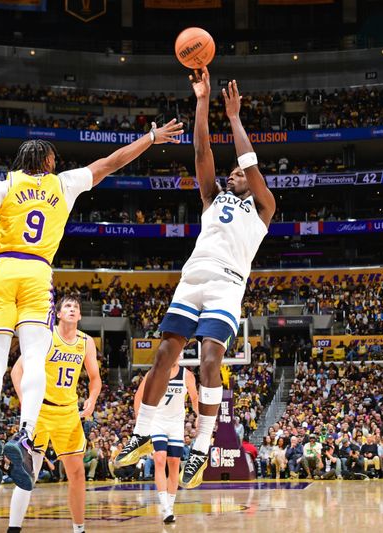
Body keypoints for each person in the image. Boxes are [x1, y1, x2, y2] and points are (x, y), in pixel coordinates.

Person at [0, 123, 182, 494]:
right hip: (37, 272)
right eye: (54, 158)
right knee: (36, 360)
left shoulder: (5, 185)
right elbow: (112, 162)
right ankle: (25, 435)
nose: (58, 162)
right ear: (46, 161)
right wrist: (151, 139)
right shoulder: (64, 183)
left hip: (2, 270)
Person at [115, 69, 275, 490]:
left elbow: (249, 164)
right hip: (192, 279)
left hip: (226, 284)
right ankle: (141, 433)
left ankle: (201, 447)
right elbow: (201, 148)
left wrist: (235, 119)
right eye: (233, 174)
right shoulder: (211, 197)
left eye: (240, 175)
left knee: (208, 360)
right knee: (166, 354)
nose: (234, 174)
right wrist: (202, 100)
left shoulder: (263, 207)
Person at [7, 295, 102, 533]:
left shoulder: (86, 342)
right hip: (41, 410)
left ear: (80, 316)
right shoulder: (46, 336)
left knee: (77, 473)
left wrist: (92, 398)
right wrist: (25, 401)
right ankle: (13, 528)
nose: (72, 309)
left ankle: (79, 529)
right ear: (58, 314)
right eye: (67, 306)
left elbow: (95, 378)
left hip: (69, 414)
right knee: (29, 472)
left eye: (76, 307)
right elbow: (16, 372)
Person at [133, 358, 198, 523]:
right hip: (157, 421)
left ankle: (170, 506)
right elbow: (138, 396)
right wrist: (140, 423)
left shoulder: (187, 375)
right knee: (159, 458)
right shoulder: (153, 373)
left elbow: (195, 398)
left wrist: (199, 415)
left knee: (174, 463)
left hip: (176, 424)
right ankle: (165, 507)